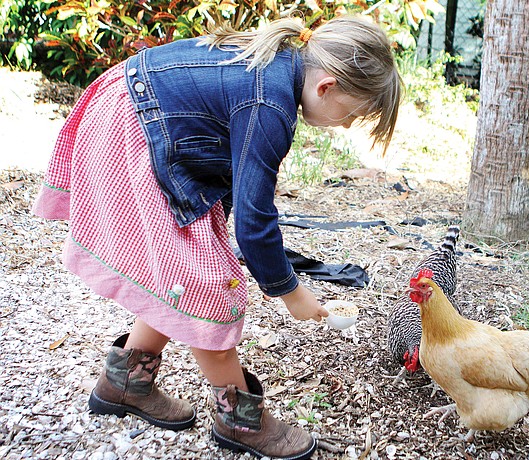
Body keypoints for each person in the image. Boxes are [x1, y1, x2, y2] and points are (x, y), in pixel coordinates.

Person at [32, 15, 402, 460]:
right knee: (208, 293)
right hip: (134, 134)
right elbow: (255, 218)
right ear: (327, 86)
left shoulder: (277, 66)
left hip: (136, 118)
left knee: (181, 277)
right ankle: (239, 420)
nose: (345, 126)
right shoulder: (272, 102)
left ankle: (125, 382)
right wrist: (289, 290)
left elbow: (230, 171)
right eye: (354, 115)